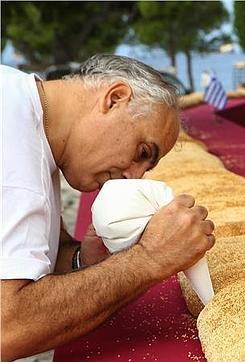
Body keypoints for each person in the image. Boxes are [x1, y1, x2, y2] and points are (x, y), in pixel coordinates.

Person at [0, 54, 215, 360]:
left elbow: (25, 263)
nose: (133, 176)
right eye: (142, 152)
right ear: (115, 98)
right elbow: (7, 328)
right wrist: (150, 259)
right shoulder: (12, 146)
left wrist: (82, 260)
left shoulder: (21, 111)